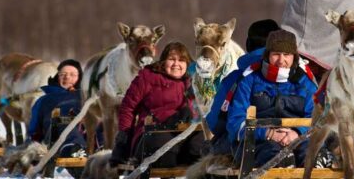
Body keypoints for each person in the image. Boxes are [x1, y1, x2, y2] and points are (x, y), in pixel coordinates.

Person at [226, 29, 318, 168]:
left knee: (313, 156)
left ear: (294, 57)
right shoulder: (249, 80)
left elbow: (317, 118)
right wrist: (268, 133)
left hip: (299, 139)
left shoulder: (305, 83)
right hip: (259, 142)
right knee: (277, 158)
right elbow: (235, 121)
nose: (281, 60)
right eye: (276, 54)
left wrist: (297, 133)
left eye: (286, 55)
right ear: (267, 55)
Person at [110, 42, 204, 168]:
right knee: (163, 147)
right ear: (164, 61)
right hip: (154, 133)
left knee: (201, 145)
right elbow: (128, 108)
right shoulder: (148, 77)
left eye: (181, 60)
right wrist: (124, 137)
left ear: (187, 64)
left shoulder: (194, 81)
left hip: (185, 133)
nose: (176, 64)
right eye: (172, 59)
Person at [205, 19, 281, 155]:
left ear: (248, 44)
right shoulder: (298, 76)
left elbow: (215, 123)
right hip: (292, 138)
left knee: (209, 149)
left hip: (247, 144)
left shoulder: (236, 79)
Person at [27, 59, 87, 177]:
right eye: (62, 74)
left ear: (80, 78)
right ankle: (74, 151)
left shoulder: (86, 96)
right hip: (54, 139)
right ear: (57, 77)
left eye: (72, 75)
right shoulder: (44, 100)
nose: (67, 77)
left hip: (86, 136)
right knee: (63, 122)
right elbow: (34, 128)